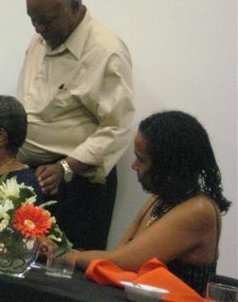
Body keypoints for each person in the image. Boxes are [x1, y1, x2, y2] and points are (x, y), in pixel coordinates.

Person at [17, 0, 134, 250]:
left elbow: (117, 128)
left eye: (46, 20)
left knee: (63, 276)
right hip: (31, 176)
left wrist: (66, 167)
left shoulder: (105, 51)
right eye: (33, 20)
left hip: (76, 185)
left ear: (75, 8)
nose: (38, 29)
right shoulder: (42, 38)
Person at [68, 111, 231, 296]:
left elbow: (122, 261)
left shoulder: (199, 210)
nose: (133, 165)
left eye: (141, 159)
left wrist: (67, 256)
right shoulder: (157, 200)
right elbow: (118, 261)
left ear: (168, 165)